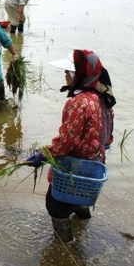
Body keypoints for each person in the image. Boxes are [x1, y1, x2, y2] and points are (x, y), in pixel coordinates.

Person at [26, 49, 116, 243]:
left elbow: (66, 143)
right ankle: (84, 224)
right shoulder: (103, 99)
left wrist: (43, 156)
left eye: (67, 72)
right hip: (93, 169)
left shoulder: (78, 103)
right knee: (81, 196)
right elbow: (107, 139)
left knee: (56, 206)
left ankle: (65, 246)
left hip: (74, 169)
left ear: (78, 75)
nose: (65, 75)